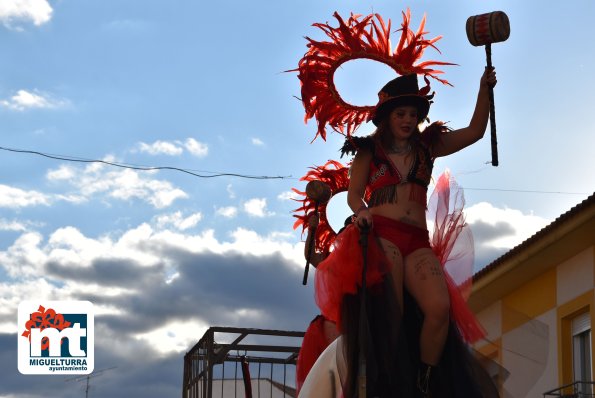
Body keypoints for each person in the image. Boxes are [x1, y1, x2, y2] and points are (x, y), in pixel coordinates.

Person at [313, 68, 500, 397]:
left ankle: (424, 380)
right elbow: (355, 194)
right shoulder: (368, 152)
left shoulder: (429, 147)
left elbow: (474, 132)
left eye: (413, 114)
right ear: (387, 116)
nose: (407, 120)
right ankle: (387, 378)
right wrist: (362, 213)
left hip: (418, 241)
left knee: (439, 309)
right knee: (393, 312)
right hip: (383, 234)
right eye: (400, 113)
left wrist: (484, 90)